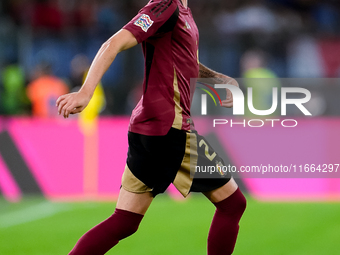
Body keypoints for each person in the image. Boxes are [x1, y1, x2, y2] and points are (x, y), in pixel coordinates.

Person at [56, 0, 246, 254]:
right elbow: (112, 43)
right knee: (233, 204)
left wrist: (216, 79)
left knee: (125, 221)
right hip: (170, 129)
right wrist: (85, 92)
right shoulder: (165, 5)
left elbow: (184, 61)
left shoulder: (182, 11)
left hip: (147, 129)